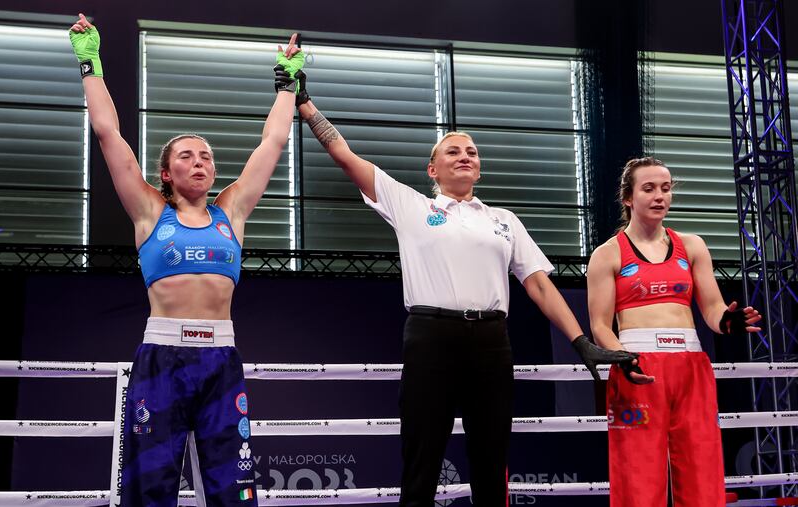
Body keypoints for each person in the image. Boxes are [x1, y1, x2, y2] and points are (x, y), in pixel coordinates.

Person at [280, 68, 639, 506]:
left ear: (480, 169)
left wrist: (581, 340)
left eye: (471, 151)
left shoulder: (503, 220)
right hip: (431, 337)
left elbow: (540, 286)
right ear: (433, 168)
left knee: (491, 458)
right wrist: (304, 103)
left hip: (490, 341)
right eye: (452, 151)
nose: (464, 155)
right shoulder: (410, 205)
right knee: (422, 454)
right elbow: (344, 154)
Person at [69, 14, 305, 506]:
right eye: (187, 156)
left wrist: (286, 84)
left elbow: (272, 144)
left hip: (221, 359)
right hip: (162, 358)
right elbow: (110, 134)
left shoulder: (232, 211)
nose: (200, 161)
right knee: (150, 486)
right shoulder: (149, 212)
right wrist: (91, 65)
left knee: (232, 489)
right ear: (167, 172)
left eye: (206, 156)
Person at [586, 157, 762, 507]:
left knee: (701, 466)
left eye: (665, 189)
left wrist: (727, 322)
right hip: (638, 367)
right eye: (648, 188)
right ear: (628, 197)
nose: (659, 196)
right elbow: (600, 325)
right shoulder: (607, 255)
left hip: (691, 364)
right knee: (638, 473)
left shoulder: (692, 246)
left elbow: (711, 307)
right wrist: (622, 358)